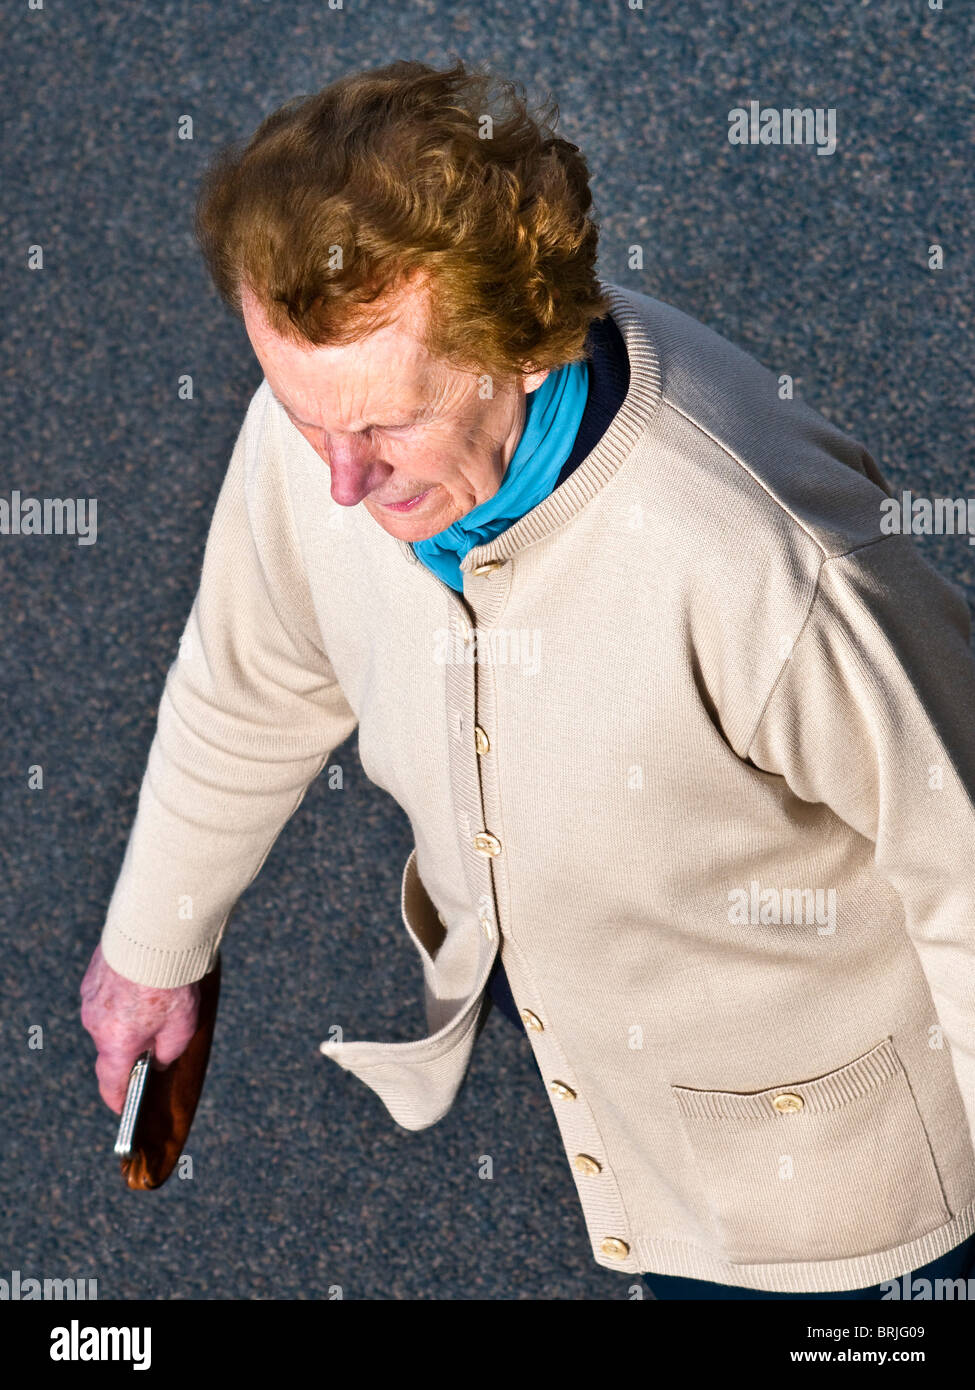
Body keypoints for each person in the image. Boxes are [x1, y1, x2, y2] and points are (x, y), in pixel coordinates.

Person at [80, 57, 975, 1298]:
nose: (338, 483)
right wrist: (152, 948)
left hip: (828, 1200)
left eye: (382, 429)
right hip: (639, 1128)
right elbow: (259, 676)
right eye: (301, 419)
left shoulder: (763, 560)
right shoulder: (332, 419)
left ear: (519, 343)